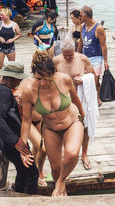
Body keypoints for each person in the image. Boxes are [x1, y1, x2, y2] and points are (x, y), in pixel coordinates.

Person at [20, 51, 86, 196]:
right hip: (50, 128)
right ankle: (62, 193)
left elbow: (76, 99)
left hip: (72, 122)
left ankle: (61, 183)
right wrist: (23, 149)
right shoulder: (28, 91)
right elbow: (26, 122)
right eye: (38, 78)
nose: (43, 82)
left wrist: (83, 115)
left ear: (54, 73)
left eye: (47, 79)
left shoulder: (64, 79)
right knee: (55, 168)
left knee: (72, 153)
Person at [0, 61, 38, 194]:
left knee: (22, 171)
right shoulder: (5, 93)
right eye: (18, 79)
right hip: (13, 143)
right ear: (12, 78)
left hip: (5, 142)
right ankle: (34, 200)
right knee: (33, 173)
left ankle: (19, 192)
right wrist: (16, 141)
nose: (19, 82)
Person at [53, 37, 98, 171]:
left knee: (85, 127)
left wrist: (84, 80)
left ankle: (84, 154)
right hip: (63, 99)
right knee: (62, 126)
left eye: (71, 55)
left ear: (74, 50)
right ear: (61, 52)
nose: (68, 58)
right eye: (65, 56)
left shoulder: (82, 59)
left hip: (80, 98)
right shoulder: (56, 61)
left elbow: (94, 76)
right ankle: (64, 152)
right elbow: (49, 78)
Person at [13, 78, 48, 187]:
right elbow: (17, 95)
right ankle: (37, 173)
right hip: (27, 121)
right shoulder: (28, 85)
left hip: (40, 118)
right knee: (43, 148)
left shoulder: (51, 83)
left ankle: (39, 169)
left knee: (38, 147)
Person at [78, 6, 109, 106]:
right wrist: (77, 56)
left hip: (96, 57)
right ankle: (90, 98)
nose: (79, 18)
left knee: (94, 81)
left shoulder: (99, 28)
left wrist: (106, 61)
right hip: (84, 57)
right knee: (84, 80)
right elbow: (81, 43)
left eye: (81, 16)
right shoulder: (82, 26)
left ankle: (97, 98)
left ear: (86, 17)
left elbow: (104, 46)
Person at [0, 8, 21, 82]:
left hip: (10, 48)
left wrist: (13, 39)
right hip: (0, 48)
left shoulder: (14, 25)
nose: (1, 16)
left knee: (12, 66)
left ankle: (12, 81)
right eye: (0, 15)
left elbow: (19, 34)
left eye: (3, 15)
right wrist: (0, 38)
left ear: (8, 15)